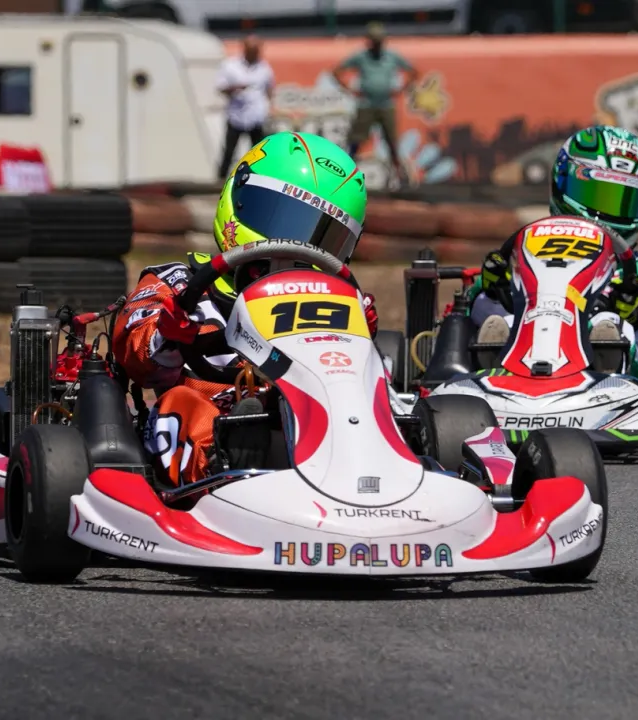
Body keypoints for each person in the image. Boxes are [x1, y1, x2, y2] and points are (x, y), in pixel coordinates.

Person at [113, 131, 377, 487]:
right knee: (180, 404)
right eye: (282, 221)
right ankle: (223, 469)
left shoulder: (331, 300)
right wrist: (168, 334)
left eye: (322, 238)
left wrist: (358, 333)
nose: (296, 245)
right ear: (239, 199)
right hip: (217, 419)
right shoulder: (179, 283)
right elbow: (135, 353)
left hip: (313, 412)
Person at [469, 125, 638, 381]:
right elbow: (469, 313)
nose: (608, 211)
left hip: (603, 385)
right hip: (516, 369)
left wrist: (635, 316)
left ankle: (606, 357)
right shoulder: (522, 251)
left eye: (621, 200)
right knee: (502, 321)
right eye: (598, 195)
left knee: (611, 325)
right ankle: (492, 366)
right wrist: (493, 292)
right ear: (563, 180)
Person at [332, 22, 418, 187]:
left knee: (392, 141)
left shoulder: (392, 56)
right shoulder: (361, 56)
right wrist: (350, 89)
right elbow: (337, 71)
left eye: (379, 41)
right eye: (374, 41)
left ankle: (401, 178)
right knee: (356, 141)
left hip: (386, 104)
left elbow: (413, 71)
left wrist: (401, 89)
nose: (377, 45)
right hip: (366, 104)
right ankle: (343, 176)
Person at [215, 34, 275, 181]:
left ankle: (259, 179)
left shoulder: (264, 68)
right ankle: (221, 180)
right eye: (251, 50)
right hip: (236, 115)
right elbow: (220, 87)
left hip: (256, 116)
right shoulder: (230, 65)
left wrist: (269, 107)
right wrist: (236, 88)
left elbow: (269, 89)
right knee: (229, 151)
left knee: (258, 152)